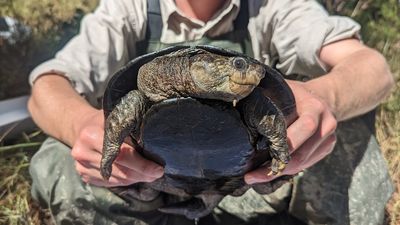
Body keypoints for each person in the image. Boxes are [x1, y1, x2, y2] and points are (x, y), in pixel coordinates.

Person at [27, 0, 395, 224]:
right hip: (146, 187)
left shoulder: (273, 6)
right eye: (237, 69)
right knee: (58, 158)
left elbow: (374, 70)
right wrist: (81, 125)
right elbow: (45, 87)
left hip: (249, 188)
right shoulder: (129, 8)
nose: (247, 76)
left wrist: (323, 95)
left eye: (241, 69)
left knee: (346, 144)